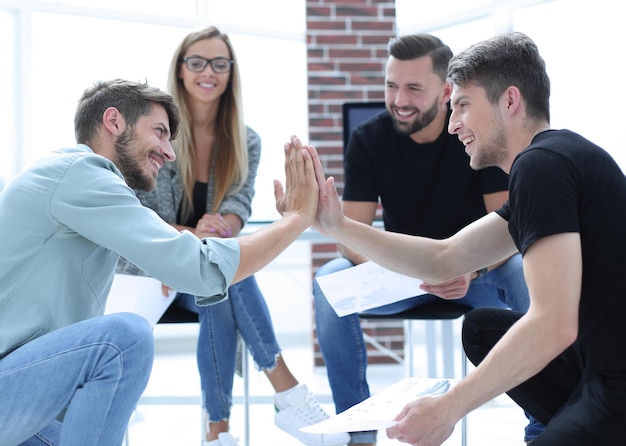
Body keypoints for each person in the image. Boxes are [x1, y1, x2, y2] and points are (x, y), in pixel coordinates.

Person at [313, 31, 626, 445]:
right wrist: (337, 225)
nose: (453, 122)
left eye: (462, 105)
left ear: (510, 101)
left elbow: (553, 325)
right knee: (482, 328)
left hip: (614, 382)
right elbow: (447, 257)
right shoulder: (551, 161)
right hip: (592, 364)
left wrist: (448, 407)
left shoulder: (541, 167)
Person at [0, 78, 322, 446]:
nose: (169, 153)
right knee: (123, 340)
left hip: (23, 392)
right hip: (11, 388)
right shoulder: (81, 172)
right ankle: (284, 396)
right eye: (160, 132)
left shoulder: (70, 182)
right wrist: (297, 218)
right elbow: (199, 269)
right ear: (114, 121)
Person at [116, 26, 348, 446]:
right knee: (224, 274)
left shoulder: (246, 139)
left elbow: (238, 207)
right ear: (181, 71)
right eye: (198, 62)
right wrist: (193, 233)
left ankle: (218, 432)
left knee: (221, 278)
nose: (209, 71)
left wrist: (221, 226)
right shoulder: (152, 131)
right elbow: (136, 216)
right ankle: (285, 394)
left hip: (200, 267)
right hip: (152, 268)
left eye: (220, 63)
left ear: (230, 72)